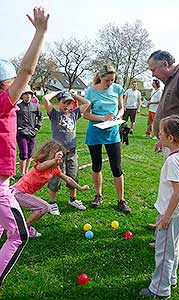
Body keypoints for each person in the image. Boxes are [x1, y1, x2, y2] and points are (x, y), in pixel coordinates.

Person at [0, 7, 49, 286]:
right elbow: (27, 70)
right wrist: (40, 33)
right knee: (18, 235)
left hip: (3, 185)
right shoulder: (3, 105)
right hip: (0, 187)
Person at [140, 115, 179, 298]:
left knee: (163, 252)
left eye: (161, 132)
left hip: (171, 213)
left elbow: (178, 192)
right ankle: (170, 278)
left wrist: (165, 218)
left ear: (171, 138)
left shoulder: (173, 161)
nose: (158, 134)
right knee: (173, 247)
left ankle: (160, 289)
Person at [147, 50, 179, 237]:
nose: (152, 74)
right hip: (172, 143)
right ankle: (163, 219)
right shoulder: (171, 79)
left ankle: (169, 226)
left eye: (153, 69)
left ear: (165, 65)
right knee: (169, 184)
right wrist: (164, 141)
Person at [12, 141, 89, 237]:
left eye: (61, 158)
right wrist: (54, 160)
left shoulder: (55, 169)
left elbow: (68, 179)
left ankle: (22, 228)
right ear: (50, 155)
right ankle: (23, 229)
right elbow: (41, 167)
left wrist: (80, 188)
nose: (60, 161)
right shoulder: (40, 164)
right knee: (43, 207)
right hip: (17, 193)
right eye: (58, 157)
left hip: (21, 194)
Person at [83, 64, 131, 214]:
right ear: (101, 77)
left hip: (112, 133)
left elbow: (122, 108)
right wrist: (102, 118)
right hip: (95, 132)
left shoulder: (117, 89)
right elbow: (86, 114)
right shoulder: (90, 91)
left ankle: (121, 200)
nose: (110, 83)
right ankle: (98, 196)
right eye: (108, 80)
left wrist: (118, 115)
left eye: (112, 80)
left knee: (116, 168)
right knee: (96, 166)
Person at [42, 90, 90, 215]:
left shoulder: (74, 114)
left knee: (73, 175)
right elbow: (45, 99)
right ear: (58, 103)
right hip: (57, 153)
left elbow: (87, 103)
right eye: (64, 103)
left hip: (72, 152)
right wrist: (56, 92)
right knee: (56, 177)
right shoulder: (55, 115)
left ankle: (72, 199)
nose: (67, 106)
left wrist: (74, 95)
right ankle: (52, 202)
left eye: (69, 104)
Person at [17, 85, 43, 178]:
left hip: (32, 133)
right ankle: (22, 173)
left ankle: (27, 171)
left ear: (32, 96)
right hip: (21, 133)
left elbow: (40, 117)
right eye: (26, 94)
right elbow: (13, 118)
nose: (28, 96)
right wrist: (17, 128)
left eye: (29, 94)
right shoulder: (18, 107)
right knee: (23, 153)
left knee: (30, 154)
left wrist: (37, 127)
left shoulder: (36, 106)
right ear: (22, 95)